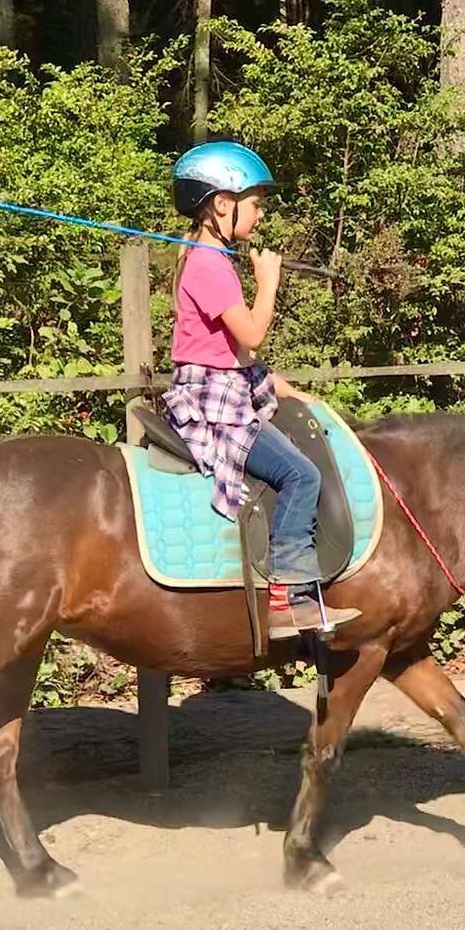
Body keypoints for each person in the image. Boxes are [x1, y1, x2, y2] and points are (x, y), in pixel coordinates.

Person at [163, 140, 360, 639]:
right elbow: (250, 334)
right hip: (215, 403)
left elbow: (231, 350)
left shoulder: (210, 258)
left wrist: (280, 384)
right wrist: (268, 282)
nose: (260, 215)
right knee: (301, 475)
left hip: (228, 385)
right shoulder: (210, 264)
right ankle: (286, 599)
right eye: (254, 204)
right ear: (221, 205)